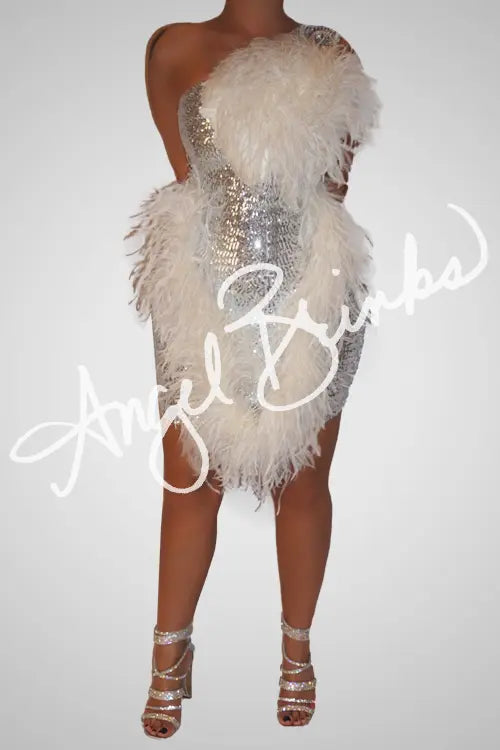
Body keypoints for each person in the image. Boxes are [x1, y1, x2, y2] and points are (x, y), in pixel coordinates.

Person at [124, 0, 381, 738]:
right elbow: (189, 180)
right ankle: (168, 655)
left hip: (312, 289)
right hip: (203, 292)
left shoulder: (328, 50)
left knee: (302, 482)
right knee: (189, 480)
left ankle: (297, 652)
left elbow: (334, 185)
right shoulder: (173, 48)